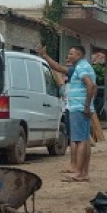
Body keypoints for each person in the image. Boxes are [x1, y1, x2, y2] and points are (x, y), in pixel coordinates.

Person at [37, 43, 96, 182]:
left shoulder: (81, 67)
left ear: (79, 55)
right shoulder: (80, 67)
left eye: (71, 53)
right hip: (81, 107)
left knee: (79, 140)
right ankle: (83, 173)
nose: (68, 56)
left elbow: (91, 85)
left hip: (79, 108)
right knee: (85, 140)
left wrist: (86, 106)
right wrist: (44, 56)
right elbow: (58, 67)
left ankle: (78, 173)